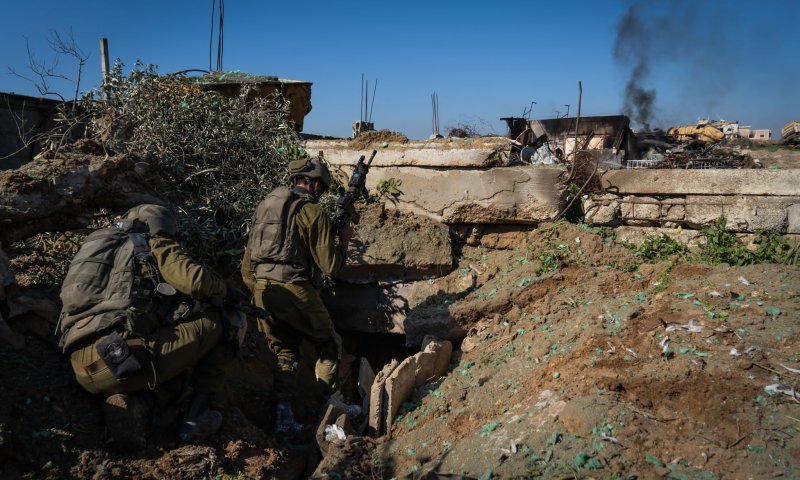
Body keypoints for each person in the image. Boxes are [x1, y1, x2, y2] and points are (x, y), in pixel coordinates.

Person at [59, 204, 247, 451]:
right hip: (122, 362)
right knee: (228, 320)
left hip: (82, 368)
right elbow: (195, 281)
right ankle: (196, 417)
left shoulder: (97, 249)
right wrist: (227, 291)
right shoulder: (152, 243)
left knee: (155, 340)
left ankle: (139, 405)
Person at [242, 156, 357, 433]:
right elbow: (330, 266)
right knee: (328, 343)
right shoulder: (311, 212)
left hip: (261, 290)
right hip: (294, 290)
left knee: (285, 352)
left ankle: (284, 418)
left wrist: (258, 293)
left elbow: (247, 267)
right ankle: (330, 407)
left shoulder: (266, 207)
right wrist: (343, 241)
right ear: (315, 184)